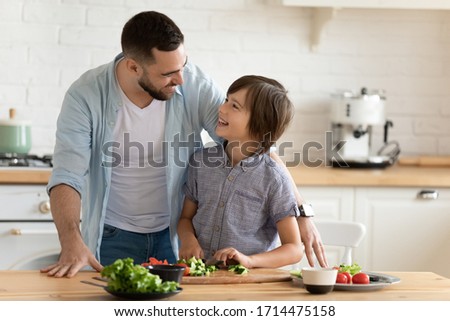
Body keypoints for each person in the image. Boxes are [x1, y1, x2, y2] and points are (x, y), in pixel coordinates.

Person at [41, 11, 326, 278]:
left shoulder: (193, 84)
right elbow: (68, 175)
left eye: (183, 65)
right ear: (133, 66)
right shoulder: (86, 96)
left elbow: (255, 147)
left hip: (175, 237)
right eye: (167, 74)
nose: (180, 79)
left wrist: (300, 211)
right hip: (114, 236)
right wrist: (71, 241)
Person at [177, 75, 303, 268]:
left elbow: (294, 249)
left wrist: (249, 261)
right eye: (226, 100)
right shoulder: (201, 161)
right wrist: (187, 240)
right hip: (200, 275)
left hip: (248, 283)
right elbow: (185, 218)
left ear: (260, 124)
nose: (221, 108)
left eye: (234, 106)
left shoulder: (274, 179)